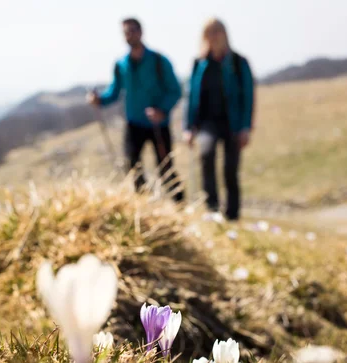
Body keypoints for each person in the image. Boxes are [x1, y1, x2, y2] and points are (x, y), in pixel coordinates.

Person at [87, 18, 184, 202]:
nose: (129, 35)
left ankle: (179, 203)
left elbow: (175, 90)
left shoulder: (158, 61)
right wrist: (99, 100)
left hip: (158, 123)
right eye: (126, 32)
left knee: (165, 167)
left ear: (141, 32)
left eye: (132, 30)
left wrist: (162, 110)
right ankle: (142, 203)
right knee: (132, 165)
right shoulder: (121, 65)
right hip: (134, 124)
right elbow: (114, 92)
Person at [183, 18, 255, 221]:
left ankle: (232, 214)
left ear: (225, 34)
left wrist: (246, 128)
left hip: (233, 122)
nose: (214, 37)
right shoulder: (199, 63)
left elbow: (248, 96)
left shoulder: (238, 63)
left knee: (230, 169)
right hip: (207, 122)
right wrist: (188, 127)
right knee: (206, 155)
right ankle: (212, 208)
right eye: (209, 33)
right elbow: (191, 97)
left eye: (217, 32)